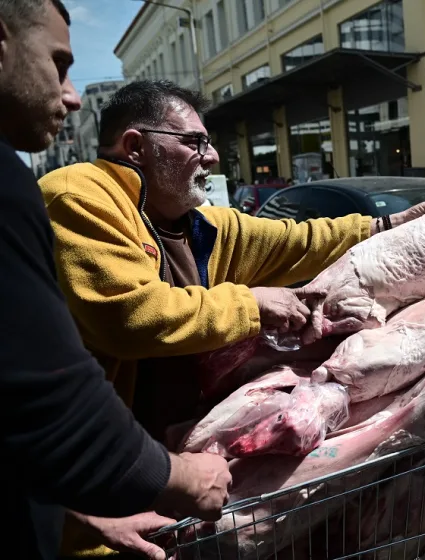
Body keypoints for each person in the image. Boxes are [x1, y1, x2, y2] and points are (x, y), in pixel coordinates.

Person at [37, 79, 425, 557]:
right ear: (136, 146)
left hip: (172, 466)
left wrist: (386, 225)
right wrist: (252, 304)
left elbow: (295, 240)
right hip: (95, 482)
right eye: (195, 142)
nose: (210, 158)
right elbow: (127, 315)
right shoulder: (79, 195)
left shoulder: (201, 225)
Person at [0, 2, 232, 559]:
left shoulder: (191, 220)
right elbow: (50, 395)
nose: (72, 93)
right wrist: (173, 476)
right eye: (58, 64)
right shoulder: (63, 192)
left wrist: (383, 224)